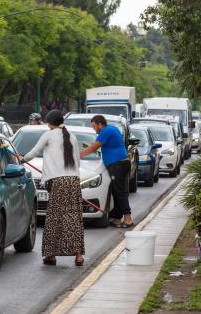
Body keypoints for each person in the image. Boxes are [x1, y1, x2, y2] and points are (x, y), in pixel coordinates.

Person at [19, 110, 85, 266]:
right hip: (74, 180)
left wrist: (23, 159)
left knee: (55, 218)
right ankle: (78, 256)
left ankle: (51, 255)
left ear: (50, 122)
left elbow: (34, 152)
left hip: (58, 182)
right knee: (74, 217)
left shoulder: (49, 134)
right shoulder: (72, 136)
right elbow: (78, 162)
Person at [80, 115, 134, 228]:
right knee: (116, 191)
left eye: (94, 126)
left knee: (119, 192)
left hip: (118, 164)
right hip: (120, 164)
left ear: (100, 124)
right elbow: (100, 146)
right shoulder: (111, 129)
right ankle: (117, 219)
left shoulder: (106, 131)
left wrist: (77, 154)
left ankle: (128, 218)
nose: (94, 129)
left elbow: (93, 148)